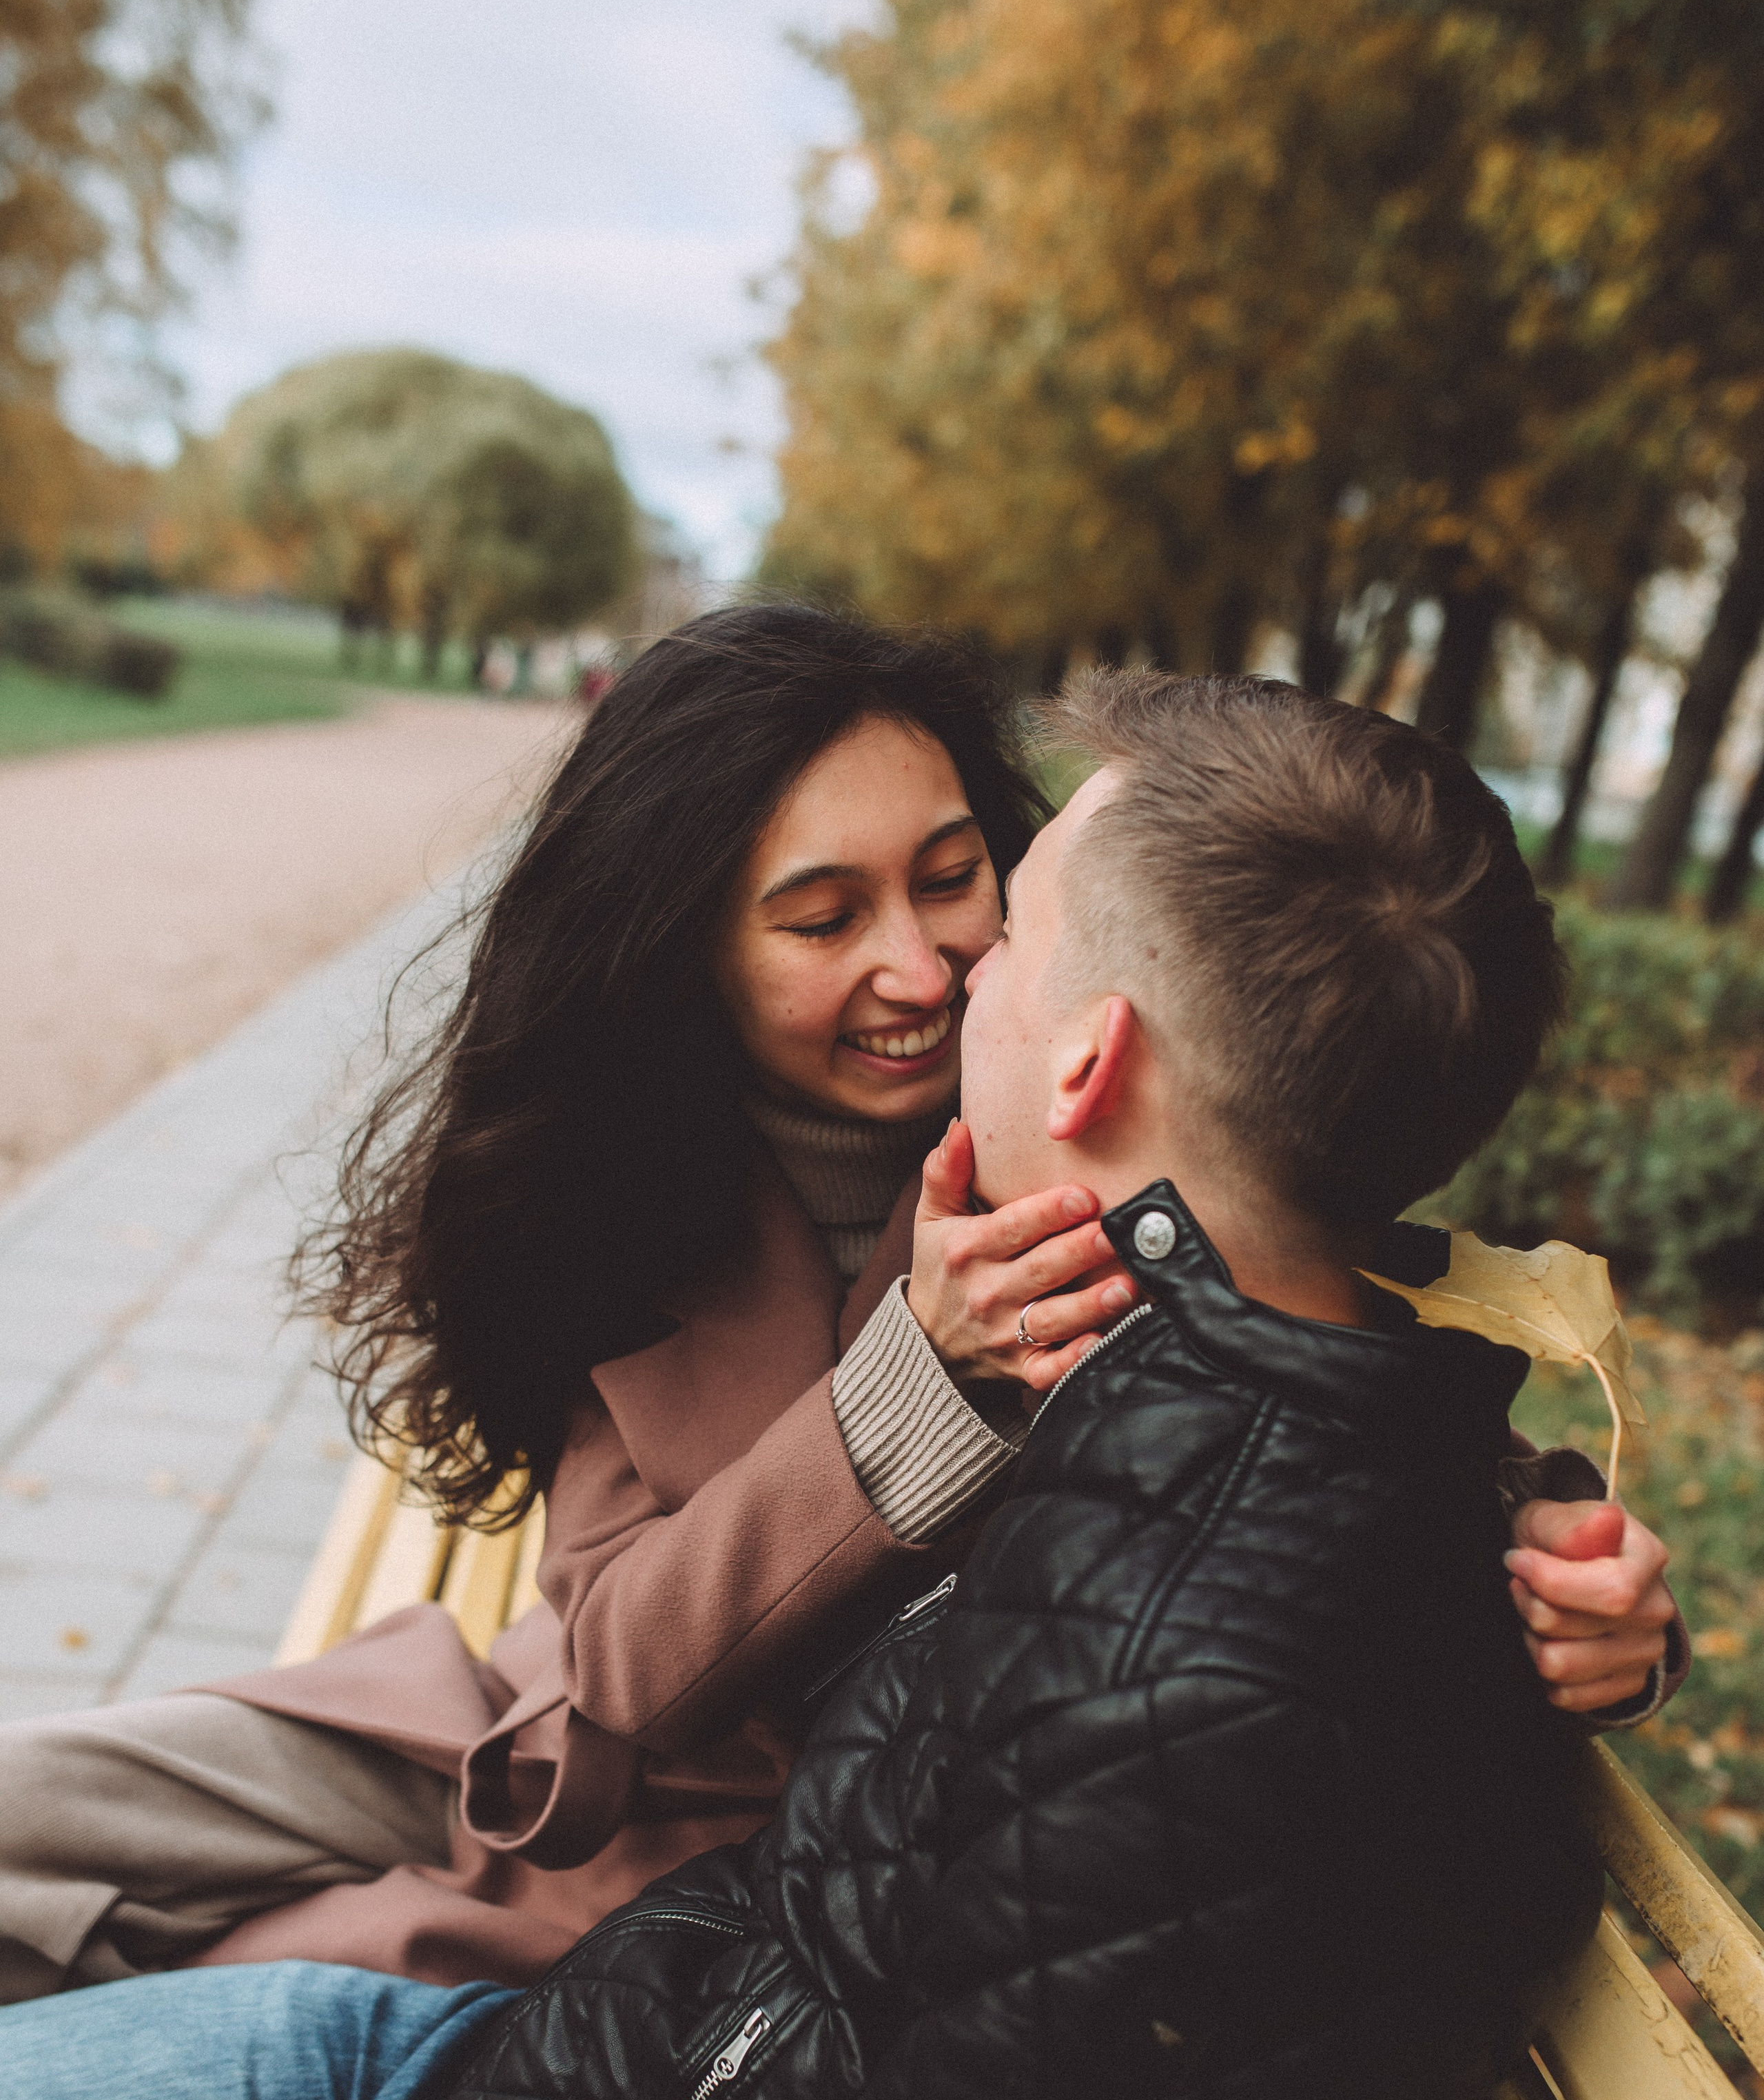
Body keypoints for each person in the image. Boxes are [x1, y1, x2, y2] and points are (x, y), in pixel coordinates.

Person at [0, 677, 1626, 2100]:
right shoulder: (1083, 1278)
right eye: (823, 912)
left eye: (985, 904)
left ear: (1088, 1052)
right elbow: (1312, 1403)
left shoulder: (1181, 1525)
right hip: (560, 2071)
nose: (942, 975)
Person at [0, 608, 1679, 2005]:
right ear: (685, 951)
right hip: (509, 1731)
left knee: (179, 2016)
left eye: (957, 879)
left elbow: (1320, 1398)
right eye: (821, 916)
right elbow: (601, 1652)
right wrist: (909, 1380)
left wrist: (1596, 1606)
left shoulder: (1082, 1144)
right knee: (33, 1820)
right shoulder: (632, 1164)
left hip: (685, 1883)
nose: (924, 965)